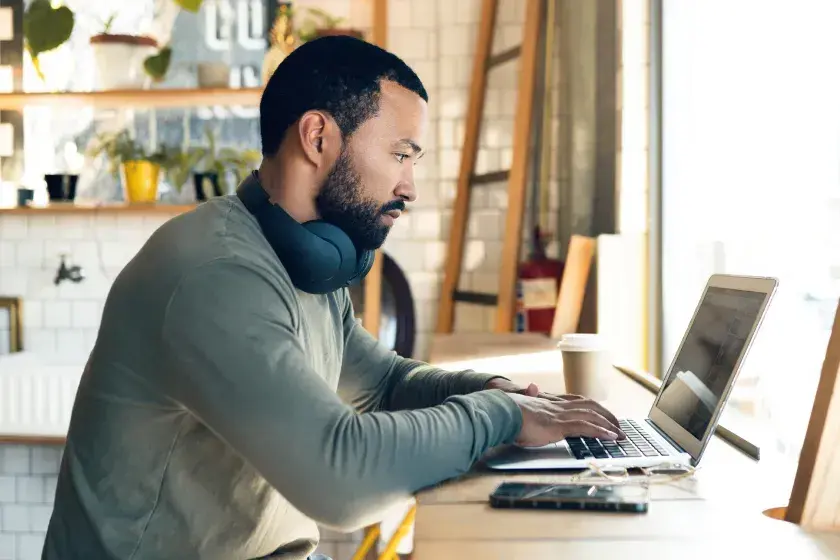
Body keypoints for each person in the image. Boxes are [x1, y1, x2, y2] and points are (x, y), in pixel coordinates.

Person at [42, 36, 624, 560]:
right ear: (318, 137)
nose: (410, 187)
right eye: (401, 154)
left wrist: (487, 389)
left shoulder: (303, 263)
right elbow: (340, 481)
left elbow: (381, 385)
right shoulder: (214, 275)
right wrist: (503, 416)